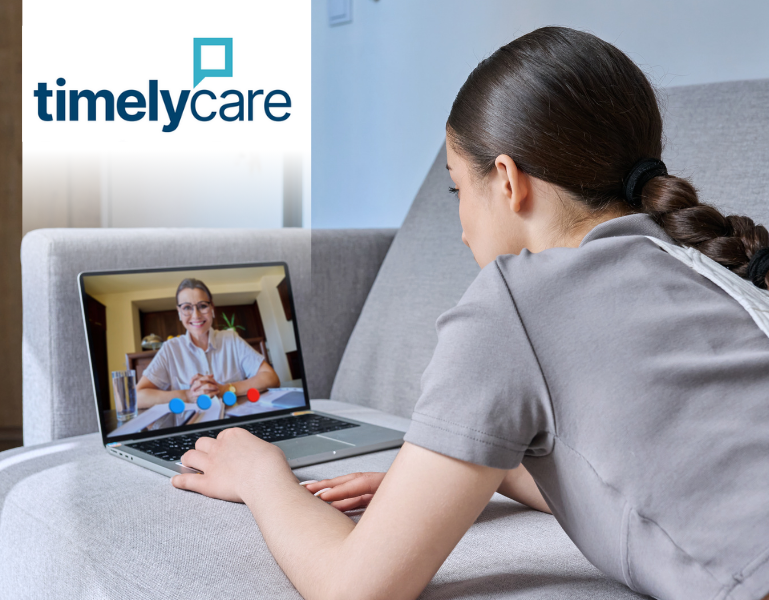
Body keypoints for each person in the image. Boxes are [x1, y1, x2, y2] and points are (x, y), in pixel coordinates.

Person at [169, 28, 769, 600]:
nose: (460, 231)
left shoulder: (515, 300)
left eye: (458, 190)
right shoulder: (712, 267)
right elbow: (648, 469)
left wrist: (259, 475)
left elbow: (356, 587)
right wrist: (470, 474)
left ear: (507, 181)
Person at [136, 278, 280, 409]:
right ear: (179, 313)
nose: (196, 315)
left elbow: (270, 377)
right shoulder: (170, 349)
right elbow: (137, 397)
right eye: (187, 308)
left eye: (202, 306)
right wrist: (187, 395)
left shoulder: (231, 340)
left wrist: (224, 389)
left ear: (212, 309)